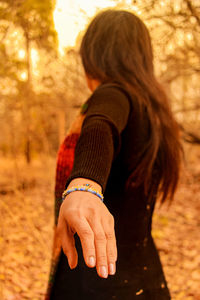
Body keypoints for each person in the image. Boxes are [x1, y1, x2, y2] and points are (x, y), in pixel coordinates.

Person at [45, 9, 182, 300]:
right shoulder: (155, 113)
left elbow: (100, 125)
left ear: (94, 57)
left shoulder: (112, 94)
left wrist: (84, 184)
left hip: (97, 280)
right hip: (146, 278)